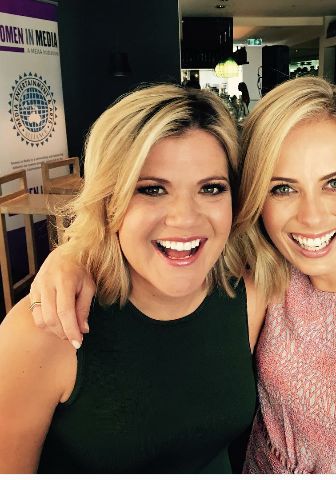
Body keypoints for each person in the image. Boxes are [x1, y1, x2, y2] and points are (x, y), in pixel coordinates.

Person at [28, 78, 336, 474]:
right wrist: (76, 253)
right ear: (256, 197)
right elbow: (172, 233)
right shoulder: (270, 269)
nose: (311, 217)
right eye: (282, 188)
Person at [0, 84, 265, 473]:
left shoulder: (248, 297)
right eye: (152, 189)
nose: (185, 218)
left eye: (211, 188)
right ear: (109, 200)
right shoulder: (44, 330)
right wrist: (73, 252)